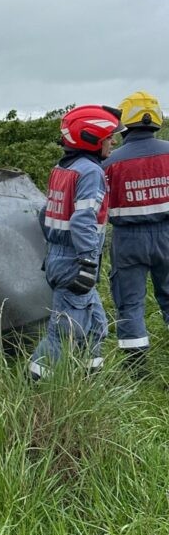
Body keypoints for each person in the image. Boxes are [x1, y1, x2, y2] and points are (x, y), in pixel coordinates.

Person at [30, 105, 124, 379]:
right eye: (109, 137)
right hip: (76, 261)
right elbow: (83, 220)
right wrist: (87, 262)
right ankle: (31, 388)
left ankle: (89, 382)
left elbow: (44, 214)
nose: (113, 141)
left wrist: (56, 248)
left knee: (96, 326)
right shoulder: (91, 173)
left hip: (60, 257)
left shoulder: (62, 168)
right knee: (61, 333)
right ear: (92, 138)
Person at [102, 91, 169, 376]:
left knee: (130, 305)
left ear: (125, 122)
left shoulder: (110, 163)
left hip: (128, 240)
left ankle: (137, 372)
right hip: (167, 235)